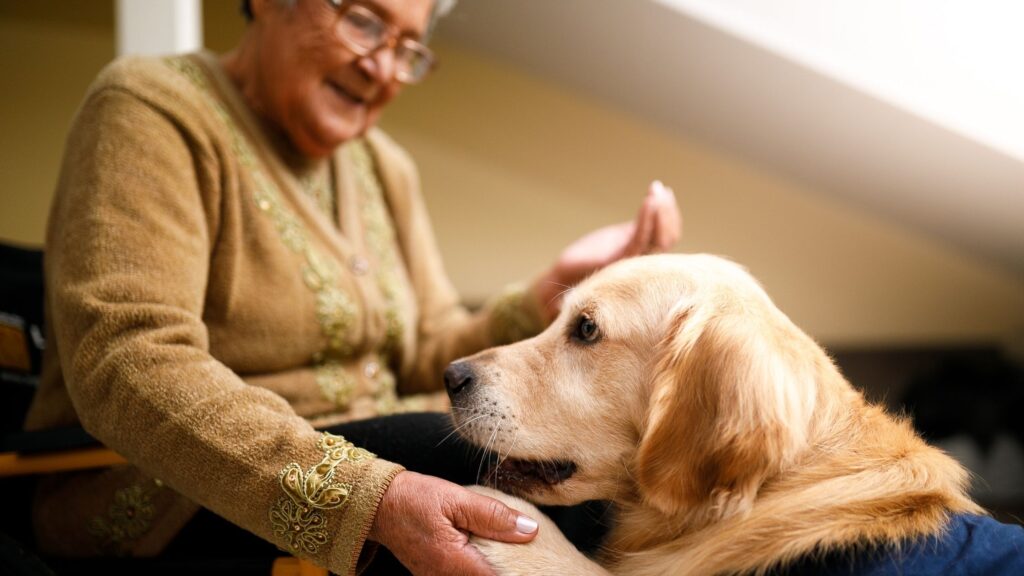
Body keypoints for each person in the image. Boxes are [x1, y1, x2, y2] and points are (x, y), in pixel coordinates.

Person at [23, 0, 681, 574]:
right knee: (497, 474)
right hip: (173, 494)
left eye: (408, 48)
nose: (383, 68)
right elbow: (126, 360)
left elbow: (430, 348)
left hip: (382, 443)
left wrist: (548, 293)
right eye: (364, 21)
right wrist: (367, 497)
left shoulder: (383, 166)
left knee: (614, 483)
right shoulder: (151, 109)